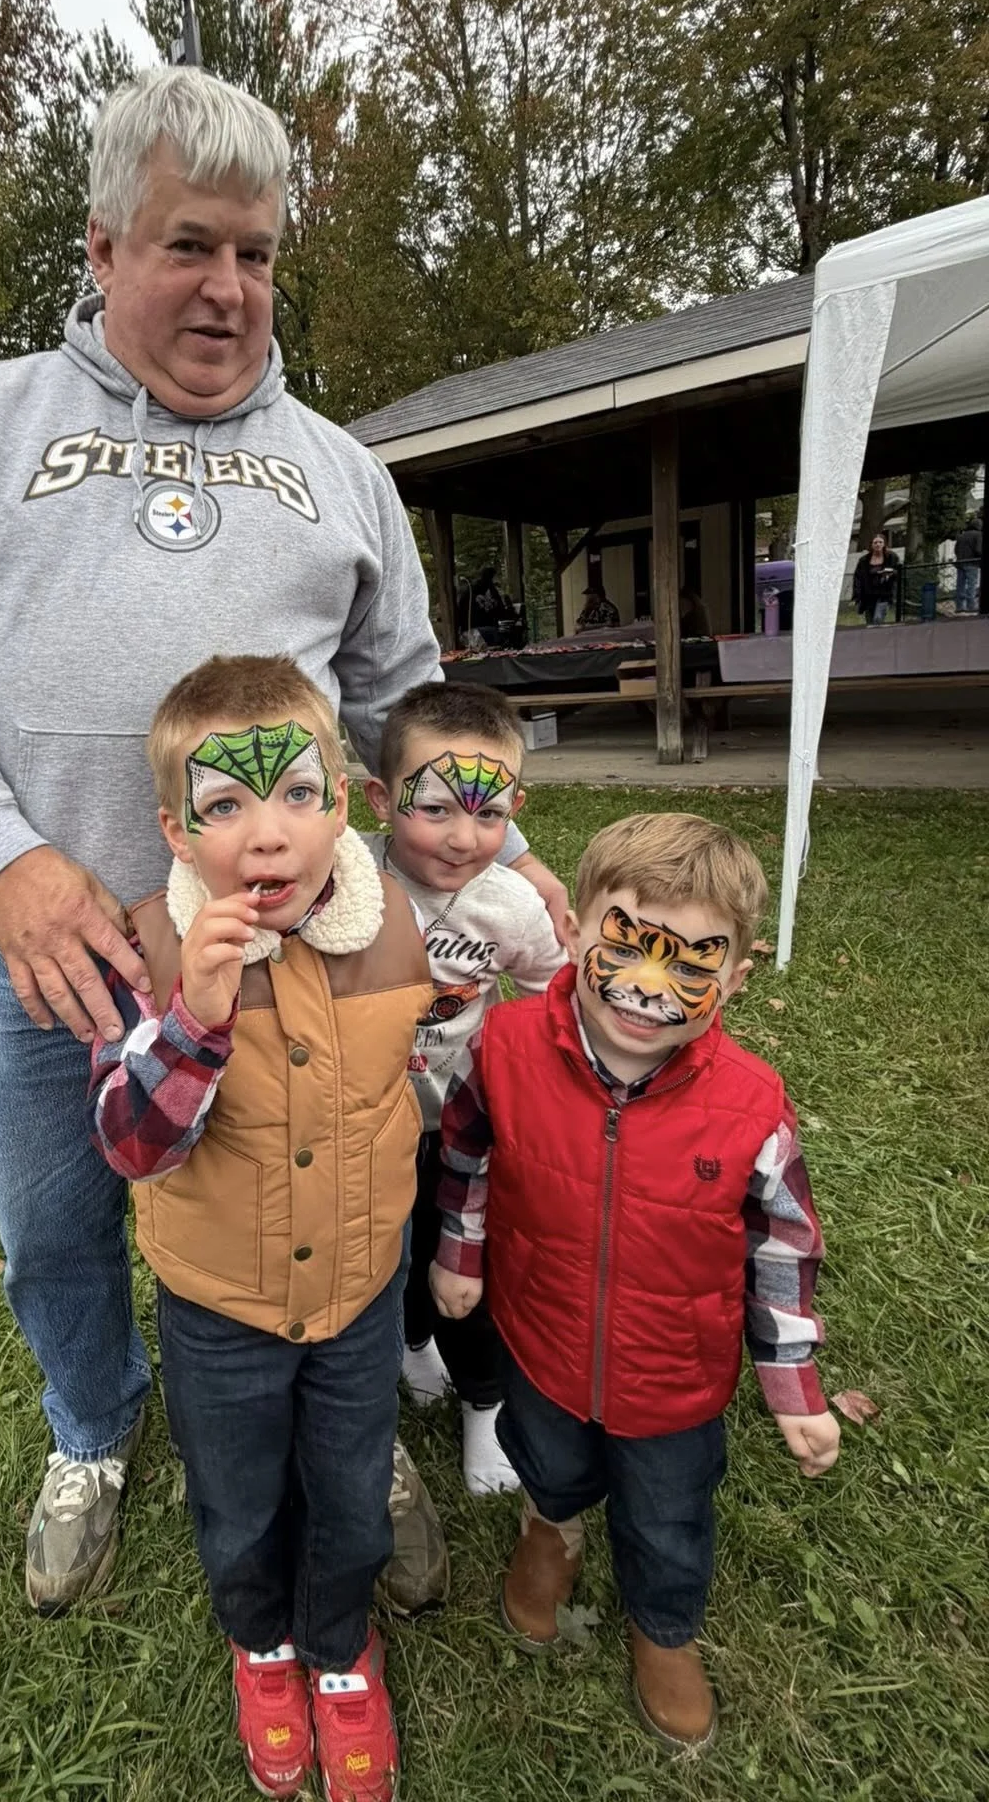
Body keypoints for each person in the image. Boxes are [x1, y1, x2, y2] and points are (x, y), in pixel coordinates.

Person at [0, 66, 569, 1612]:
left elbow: (401, 714)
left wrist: (484, 853)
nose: (229, 288)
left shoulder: (344, 470)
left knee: (347, 1198)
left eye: (256, 251)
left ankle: (349, 1438)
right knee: (56, 1227)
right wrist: (1, 852)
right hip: (57, 951)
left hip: (308, 966)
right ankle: (93, 1430)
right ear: (102, 250)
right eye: (189, 246)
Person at [88, 655, 432, 1802]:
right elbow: (131, 1141)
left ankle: (339, 1648)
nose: (267, 835)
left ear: (344, 798)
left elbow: (424, 1082)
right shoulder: (144, 949)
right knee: (237, 1499)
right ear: (176, 831)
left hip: (356, 1292)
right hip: (217, 1305)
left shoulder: (399, 933)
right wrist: (194, 1018)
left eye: (295, 794)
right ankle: (264, 1647)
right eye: (224, 804)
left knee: (347, 1491)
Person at [432, 812, 839, 1754]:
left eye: (692, 962)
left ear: (735, 977)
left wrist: (794, 1385)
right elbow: (467, 1151)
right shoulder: (504, 1048)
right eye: (628, 944)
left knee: (668, 1517)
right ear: (573, 930)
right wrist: (459, 1254)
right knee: (551, 1460)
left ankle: (665, 1631)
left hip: (675, 1380)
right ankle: (552, 1531)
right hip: (539, 1337)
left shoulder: (751, 1104)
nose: (650, 987)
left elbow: (783, 1248)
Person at [362, 682, 563, 1497]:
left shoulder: (509, 904)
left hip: (463, 1127)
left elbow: (556, 994)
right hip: (364, 1125)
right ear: (380, 799)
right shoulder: (342, 883)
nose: (462, 836)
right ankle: (412, 1348)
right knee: (391, 1255)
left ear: (513, 808)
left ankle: (485, 1403)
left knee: (464, 1265)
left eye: (489, 814)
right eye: (435, 808)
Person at [851, 534, 901, 624]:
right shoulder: (864, 560)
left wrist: (891, 574)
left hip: (884, 594)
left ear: (884, 544)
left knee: (878, 619)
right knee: (870, 622)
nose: (878, 544)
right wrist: (856, 595)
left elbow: (899, 572)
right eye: (875, 542)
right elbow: (857, 578)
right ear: (872, 545)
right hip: (868, 595)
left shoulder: (891, 557)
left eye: (880, 542)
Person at [954, 513, 981, 616]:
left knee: (960, 585)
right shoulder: (978, 535)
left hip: (960, 563)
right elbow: (978, 550)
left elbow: (956, 550)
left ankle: (959, 607)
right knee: (971, 585)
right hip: (972, 562)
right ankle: (971, 606)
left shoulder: (961, 536)